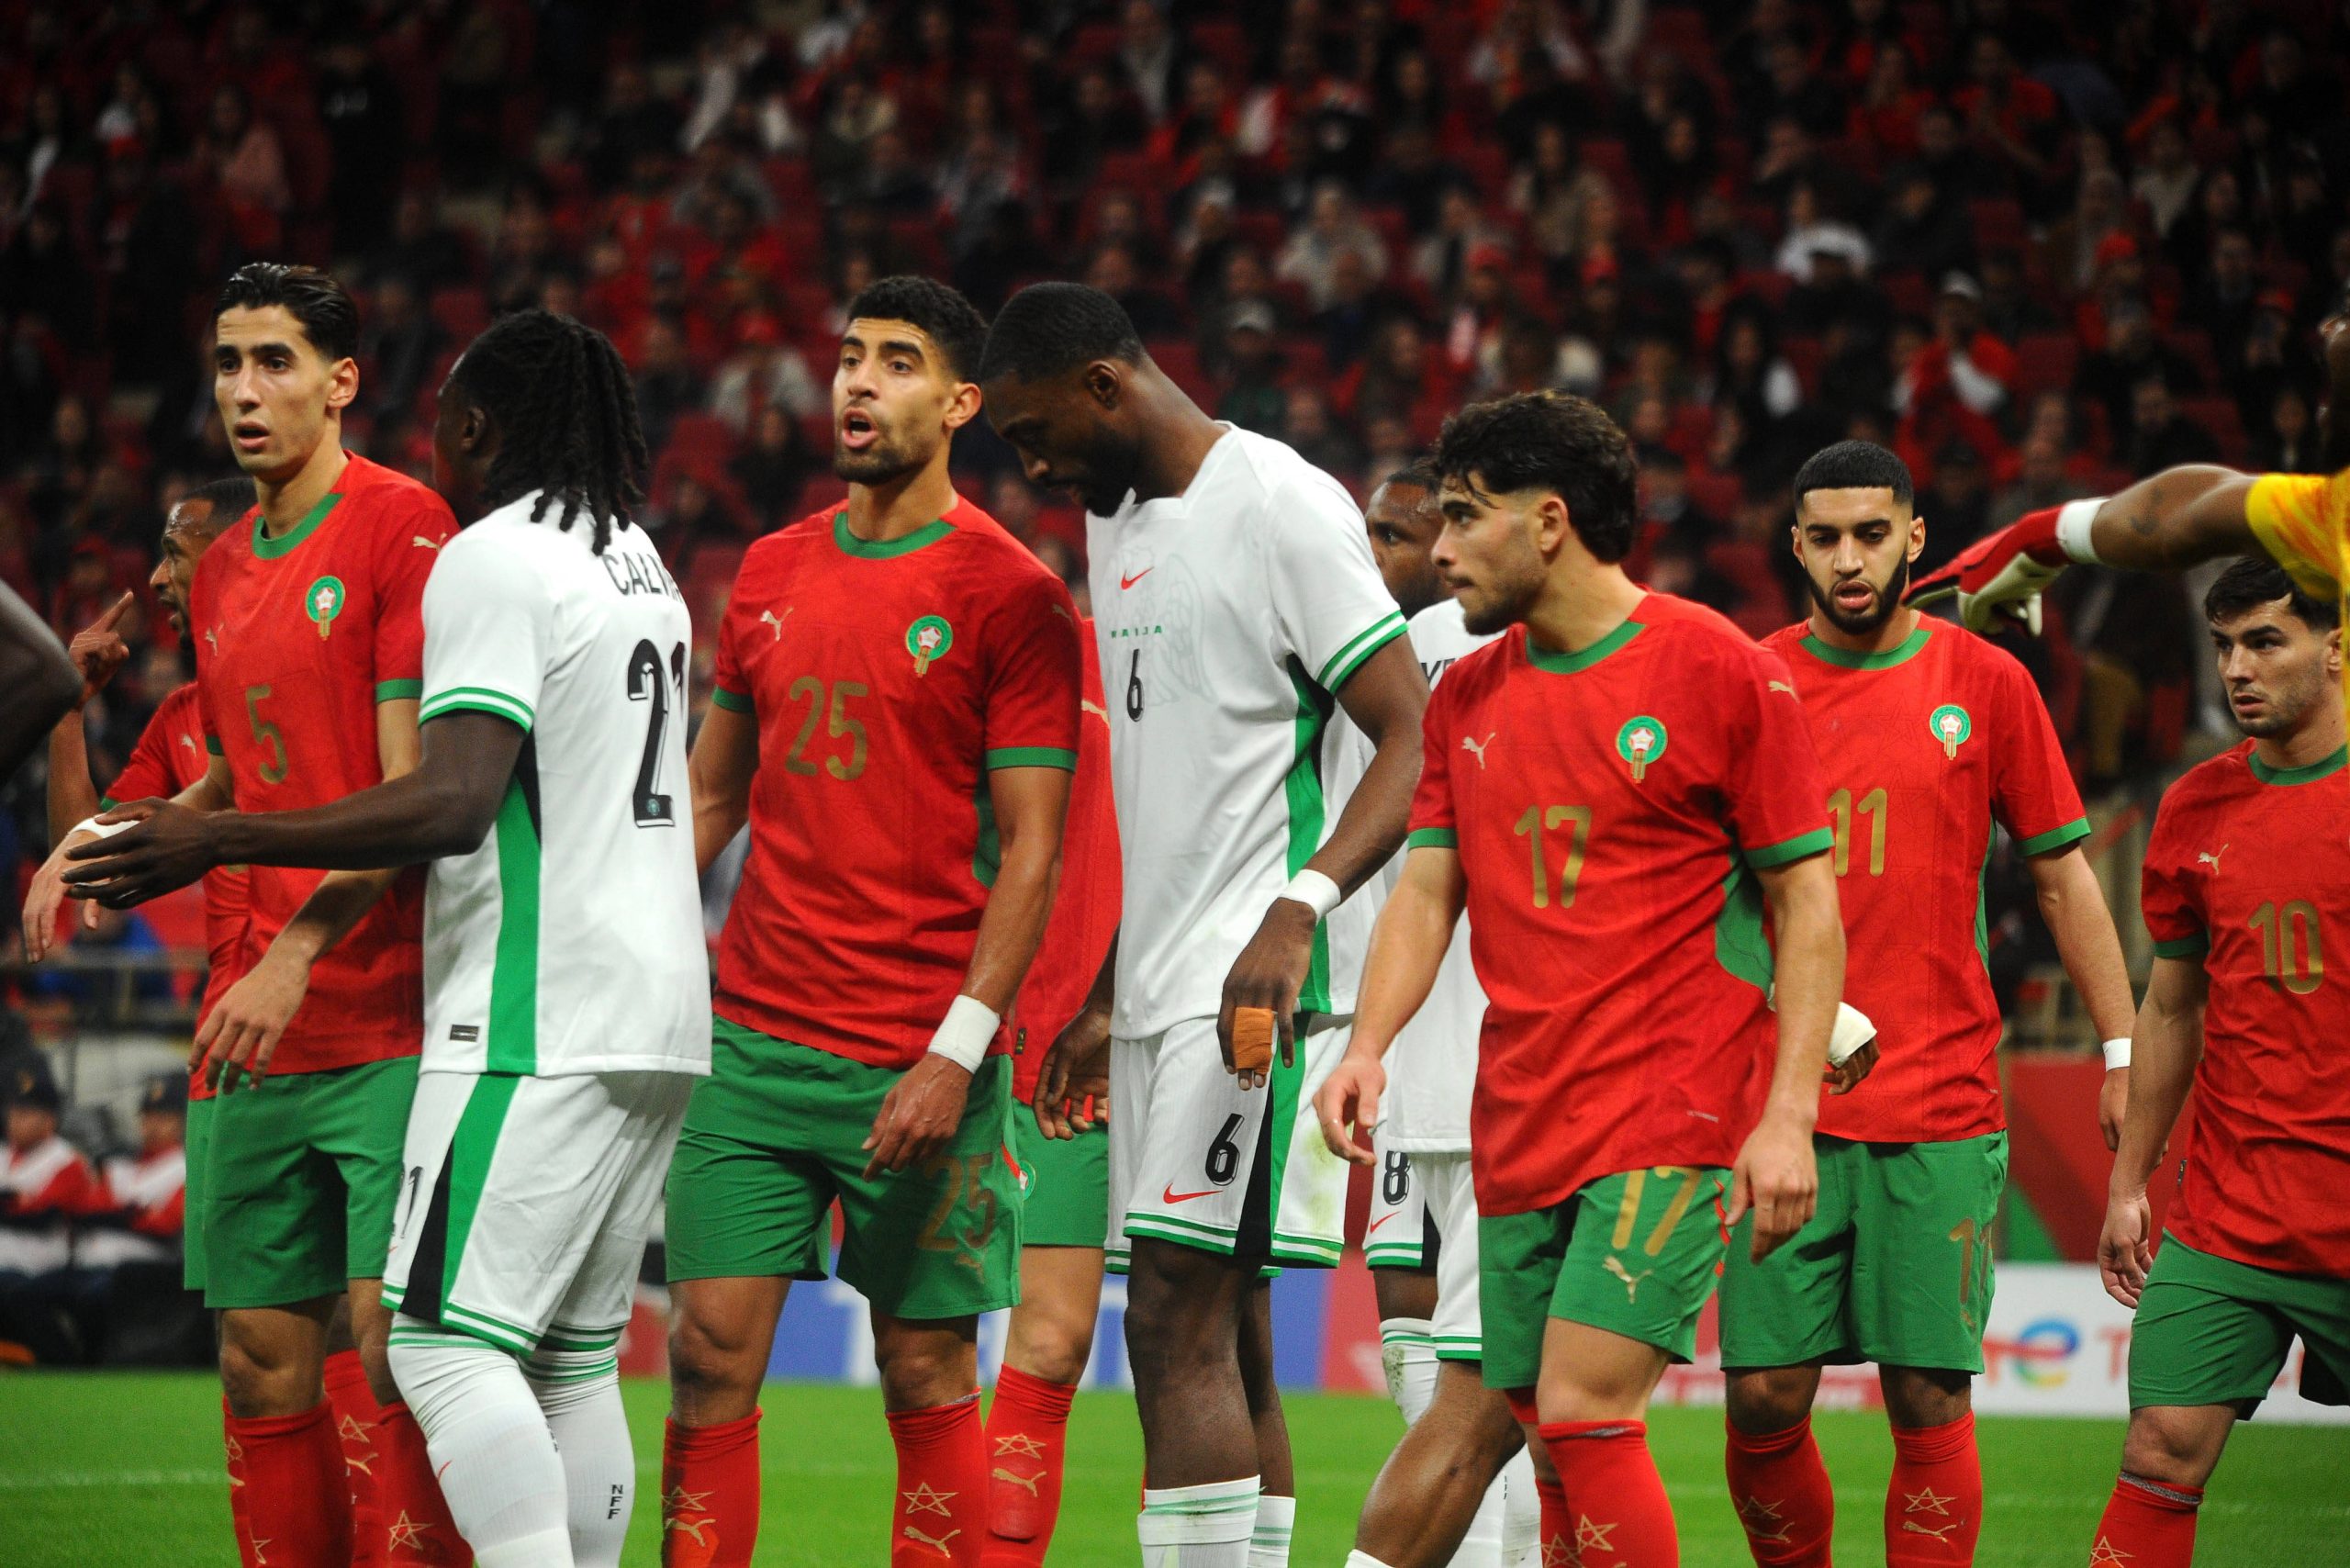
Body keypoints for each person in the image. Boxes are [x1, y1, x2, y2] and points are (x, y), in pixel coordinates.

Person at [69, 307, 708, 1568]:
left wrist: (226, 835)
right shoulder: (637, 556)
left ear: (475, 427)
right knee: (569, 1364)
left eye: (443, 425)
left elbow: (451, 800)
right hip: (662, 1007)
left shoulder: (491, 556)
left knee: (438, 1343)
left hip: (535, 1009)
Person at [1316, 391, 1846, 1566]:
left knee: (1585, 1411)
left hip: (1667, 1111)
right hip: (1519, 1112)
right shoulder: (1463, 694)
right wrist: (1367, 1046)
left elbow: (1808, 900)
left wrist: (1788, 1116)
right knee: (1545, 1438)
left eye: (1462, 517)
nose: (1438, 547)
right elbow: (1425, 892)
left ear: (1548, 521)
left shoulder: (1713, 666)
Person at [980, 282, 1428, 1568]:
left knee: (1171, 1315)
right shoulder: (1111, 520)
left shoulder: (1282, 505)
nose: (1034, 464)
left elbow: (1411, 735)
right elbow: (1179, 797)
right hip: (1165, 982)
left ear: (1107, 386)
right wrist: (1113, 988)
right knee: (1220, 1330)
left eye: (1033, 431)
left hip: (1259, 991)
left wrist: (1299, 914)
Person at [662, 275, 1080, 1568]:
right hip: (753, 1044)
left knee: (922, 1362)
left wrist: (956, 1053)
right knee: (705, 1353)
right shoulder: (772, 570)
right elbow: (709, 799)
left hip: (918, 1053)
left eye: (897, 363)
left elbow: (1034, 853)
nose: (857, 382)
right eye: (848, 357)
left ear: (960, 404)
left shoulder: (1012, 596)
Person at [67, 262, 461, 1568]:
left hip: (387, 1015)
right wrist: (92, 844)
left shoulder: (405, 530)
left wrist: (295, 948)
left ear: (341, 381)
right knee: (254, 1358)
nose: (245, 389)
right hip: (253, 1037)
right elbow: (238, 768)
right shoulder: (224, 570)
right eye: (229, 362)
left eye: (275, 361)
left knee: (386, 1346)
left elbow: (411, 796)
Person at [1721, 441, 2140, 1568]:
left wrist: (2119, 1045)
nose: (1848, 560)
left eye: (1871, 534)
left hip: (1941, 1100)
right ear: (1793, 544)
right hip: (1781, 1105)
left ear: (1913, 537)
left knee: (1925, 1392)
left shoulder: (1984, 681)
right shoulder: (1749, 680)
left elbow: (2062, 872)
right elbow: (1708, 893)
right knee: (1760, 1395)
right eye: (1824, 537)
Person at [2090, 559, 2349, 1567]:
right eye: (2224, 647)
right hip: (2232, 1216)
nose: (2237, 669)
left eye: (2265, 642)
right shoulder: (2194, 808)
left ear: (2335, 644)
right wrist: (2126, 1184)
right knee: (2160, 1445)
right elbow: (2170, 1007)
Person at [1335, 457, 1536, 1568]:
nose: (1380, 560)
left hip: (1450, 1064)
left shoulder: (1410, 661)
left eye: (1402, 537)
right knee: (1501, 1408)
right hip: (1441, 1065)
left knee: (1453, 1409)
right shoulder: (1475, 659)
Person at [1909, 293, 2350, 740]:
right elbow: (2182, 509)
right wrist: (2030, 540)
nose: (2324, 410)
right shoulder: (2331, 509)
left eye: (2342, 390)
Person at [982, 619, 1121, 1568]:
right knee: (1042, 1338)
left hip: (1199, 1038)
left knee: (1221, 1347)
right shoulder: (1044, 651)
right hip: (1039, 1038)